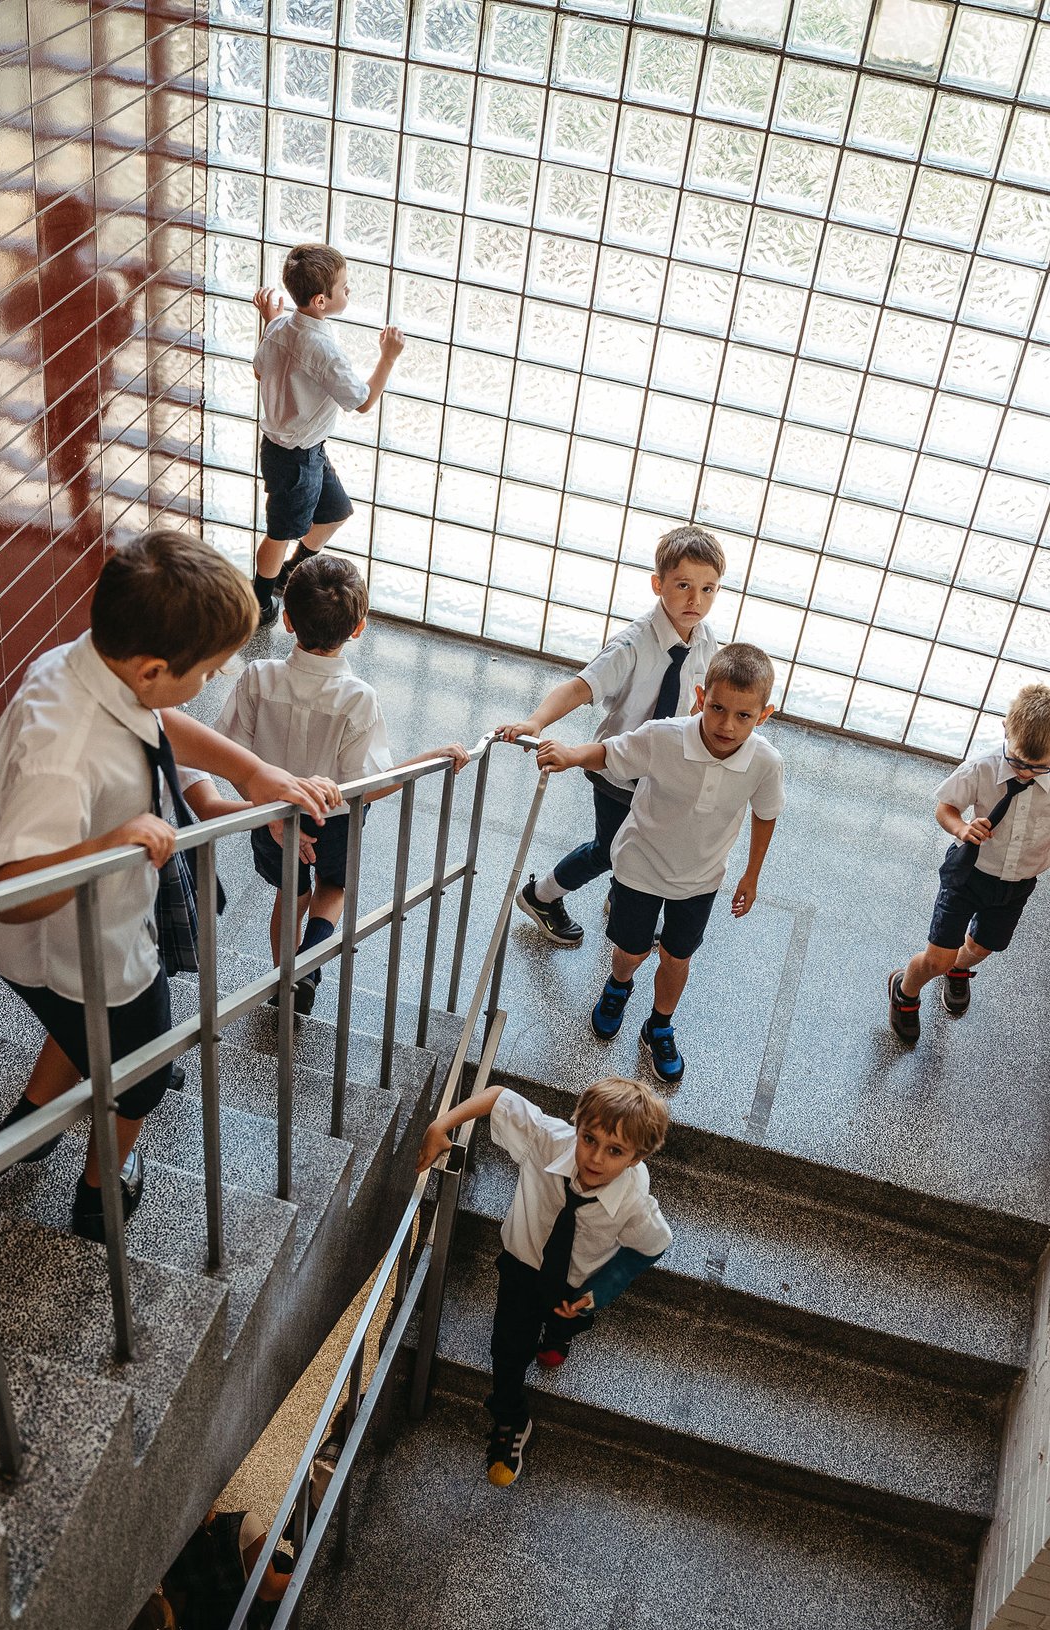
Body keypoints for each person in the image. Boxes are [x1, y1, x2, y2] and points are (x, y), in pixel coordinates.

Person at [0, 530, 336, 1241]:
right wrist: (107, 845)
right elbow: (8, 892)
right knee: (140, 1065)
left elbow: (155, 718)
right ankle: (102, 1186)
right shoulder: (63, 756)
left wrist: (252, 774)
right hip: (78, 945)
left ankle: (33, 1123)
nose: (214, 683)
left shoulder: (89, 662)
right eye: (211, 672)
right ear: (156, 667)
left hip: (81, 945)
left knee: (80, 1025)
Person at [214, 554, 469, 1015]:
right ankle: (311, 960)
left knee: (289, 892)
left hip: (269, 811)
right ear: (358, 629)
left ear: (287, 621)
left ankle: (284, 984)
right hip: (334, 819)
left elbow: (232, 756)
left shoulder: (257, 677)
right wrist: (426, 759)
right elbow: (366, 786)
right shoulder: (358, 699)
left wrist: (265, 805)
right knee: (334, 885)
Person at [531, 644, 783, 1085]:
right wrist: (571, 755)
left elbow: (766, 813)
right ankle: (618, 987)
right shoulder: (664, 737)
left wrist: (752, 873)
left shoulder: (764, 762)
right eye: (717, 708)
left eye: (743, 716)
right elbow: (610, 753)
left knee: (676, 958)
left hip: (700, 879)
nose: (726, 725)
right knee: (631, 951)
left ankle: (659, 1025)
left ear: (763, 715)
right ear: (700, 697)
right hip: (640, 865)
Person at [415, 1076, 672, 1488]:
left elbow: (651, 1247)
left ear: (636, 1158)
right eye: (588, 1139)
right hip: (522, 1268)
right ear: (576, 1125)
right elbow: (499, 1097)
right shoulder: (548, 1139)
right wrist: (439, 1126)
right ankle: (511, 1419)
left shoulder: (635, 1205)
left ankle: (557, 1337)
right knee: (508, 1349)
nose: (594, 1158)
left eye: (615, 1151)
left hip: (576, 1287)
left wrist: (597, 1293)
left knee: (565, 1321)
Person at [499, 526, 727, 948]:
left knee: (645, 840)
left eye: (709, 588)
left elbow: (701, 695)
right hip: (618, 767)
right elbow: (580, 687)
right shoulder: (633, 645)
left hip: (665, 769)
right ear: (658, 585)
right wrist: (536, 723)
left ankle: (622, 896)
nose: (696, 600)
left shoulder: (704, 639)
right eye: (683, 586)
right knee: (611, 847)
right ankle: (540, 896)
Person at [888, 683, 1050, 1048]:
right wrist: (962, 827)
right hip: (968, 872)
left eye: (1038, 766)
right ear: (1006, 728)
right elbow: (945, 807)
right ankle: (905, 992)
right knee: (937, 959)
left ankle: (959, 968)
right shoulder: (982, 767)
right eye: (1017, 761)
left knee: (982, 948)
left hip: (1018, 883)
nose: (1024, 774)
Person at [249, 244, 404, 628]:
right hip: (295, 457)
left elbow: (259, 371)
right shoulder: (322, 349)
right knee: (280, 532)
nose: (349, 291)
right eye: (345, 287)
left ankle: (289, 574)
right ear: (321, 300)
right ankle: (259, 601)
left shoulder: (281, 326)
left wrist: (269, 321)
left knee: (335, 513)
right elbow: (362, 402)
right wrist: (387, 357)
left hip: (299, 450)